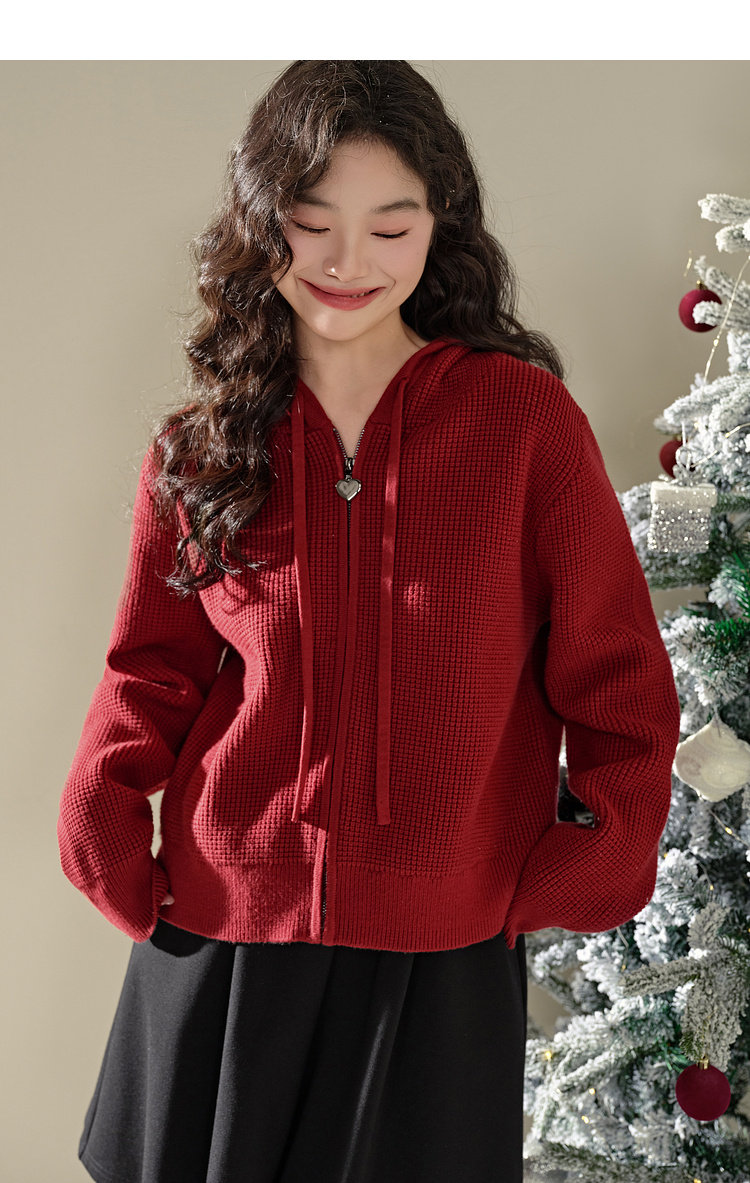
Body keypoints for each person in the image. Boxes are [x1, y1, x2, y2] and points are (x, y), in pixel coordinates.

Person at [58, 60, 681, 1183]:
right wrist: (101, 810)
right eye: (313, 223)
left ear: (441, 226)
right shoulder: (204, 445)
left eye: (391, 227)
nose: (349, 263)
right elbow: (150, 668)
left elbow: (616, 668)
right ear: (262, 222)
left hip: (439, 951)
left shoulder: (523, 425)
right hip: (225, 933)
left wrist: (594, 851)